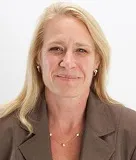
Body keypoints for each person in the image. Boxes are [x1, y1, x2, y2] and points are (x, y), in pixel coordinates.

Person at [0, 2, 136, 160]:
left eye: (81, 50)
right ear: (38, 56)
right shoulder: (3, 129)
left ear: (97, 61)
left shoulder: (131, 131)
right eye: (56, 48)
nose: (68, 62)